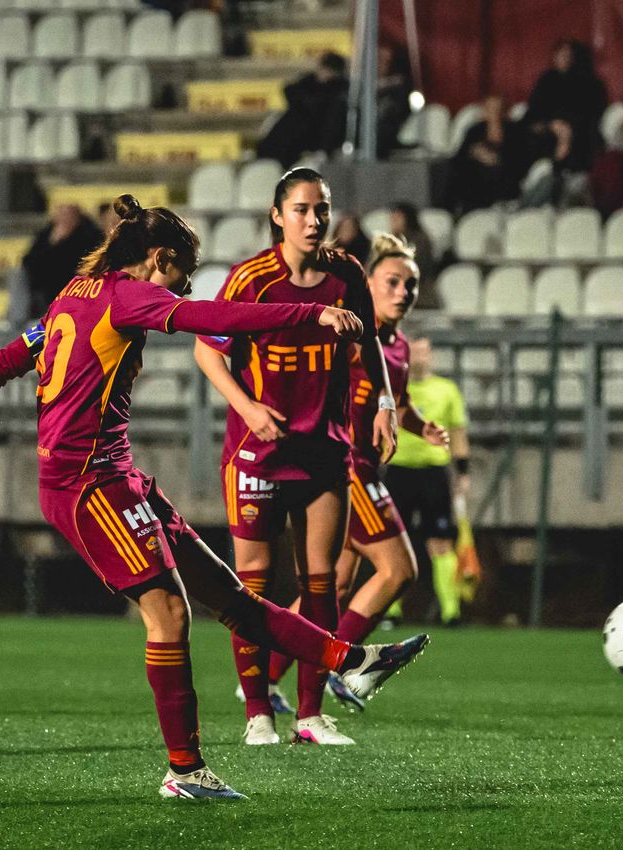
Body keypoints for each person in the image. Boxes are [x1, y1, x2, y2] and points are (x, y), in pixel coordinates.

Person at [0, 194, 427, 802]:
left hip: (116, 478)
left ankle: (351, 661)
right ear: (158, 259)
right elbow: (218, 320)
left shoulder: (76, 293)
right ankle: (185, 771)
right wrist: (310, 314)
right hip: (86, 485)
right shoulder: (129, 295)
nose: (180, 288)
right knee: (170, 613)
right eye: (180, 274)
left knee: (229, 594)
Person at [193, 168, 399, 747]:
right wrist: (247, 406)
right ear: (277, 216)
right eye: (302, 209)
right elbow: (208, 355)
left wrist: (383, 401)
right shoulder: (251, 279)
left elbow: (371, 343)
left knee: (321, 584)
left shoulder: (346, 274)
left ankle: (309, 717)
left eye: (322, 209)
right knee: (251, 589)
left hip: (324, 449)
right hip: (256, 452)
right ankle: (258, 714)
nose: (314, 220)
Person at [262, 233, 447, 712]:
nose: (403, 291)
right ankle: (344, 668)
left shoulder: (400, 347)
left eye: (411, 283)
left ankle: (264, 677)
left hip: (367, 469)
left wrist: (420, 426)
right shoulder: (350, 334)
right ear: (368, 282)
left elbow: (396, 404)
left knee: (331, 588)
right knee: (399, 568)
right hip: (345, 468)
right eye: (393, 281)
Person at [385, 337, 470, 626]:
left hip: (434, 472)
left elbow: (457, 433)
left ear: (431, 355)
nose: (420, 356)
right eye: (415, 351)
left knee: (440, 541)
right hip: (398, 470)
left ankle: (450, 612)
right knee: (394, 543)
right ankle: (391, 610)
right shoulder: (393, 387)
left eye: (424, 350)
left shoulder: (447, 390)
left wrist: (463, 471)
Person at [256, 52, 349, 167]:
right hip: (293, 135)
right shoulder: (308, 84)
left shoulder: (338, 94)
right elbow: (290, 92)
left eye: (326, 70)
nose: (321, 73)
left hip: (312, 138)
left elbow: (330, 125)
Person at [522, 38, 607, 163]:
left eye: (568, 55)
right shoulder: (546, 80)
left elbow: (591, 113)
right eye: (560, 54)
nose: (564, 58)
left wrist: (564, 126)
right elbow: (534, 110)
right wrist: (550, 125)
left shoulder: (590, 83)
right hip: (547, 126)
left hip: (577, 128)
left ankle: (557, 169)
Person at [21, 204, 104, 320]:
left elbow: (86, 261)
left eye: (69, 215)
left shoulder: (90, 235)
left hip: (74, 283)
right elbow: (28, 261)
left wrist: (62, 243)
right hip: (43, 285)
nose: (65, 219)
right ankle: (20, 321)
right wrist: (52, 243)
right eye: (62, 215)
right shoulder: (46, 235)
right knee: (17, 275)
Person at [449, 95, 526, 213]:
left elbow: (519, 160)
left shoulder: (515, 131)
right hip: (476, 181)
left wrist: (495, 159)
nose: (494, 113)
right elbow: (459, 157)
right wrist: (475, 153)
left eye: (498, 109)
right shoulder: (474, 131)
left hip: (505, 179)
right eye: (490, 109)